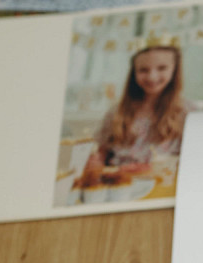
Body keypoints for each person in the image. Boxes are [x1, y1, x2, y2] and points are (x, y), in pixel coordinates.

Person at [81, 42, 189, 187]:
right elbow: (101, 152)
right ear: (134, 73)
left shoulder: (187, 113)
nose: (152, 76)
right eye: (143, 70)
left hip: (162, 185)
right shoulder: (116, 112)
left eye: (162, 68)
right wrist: (95, 161)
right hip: (119, 183)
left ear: (175, 70)